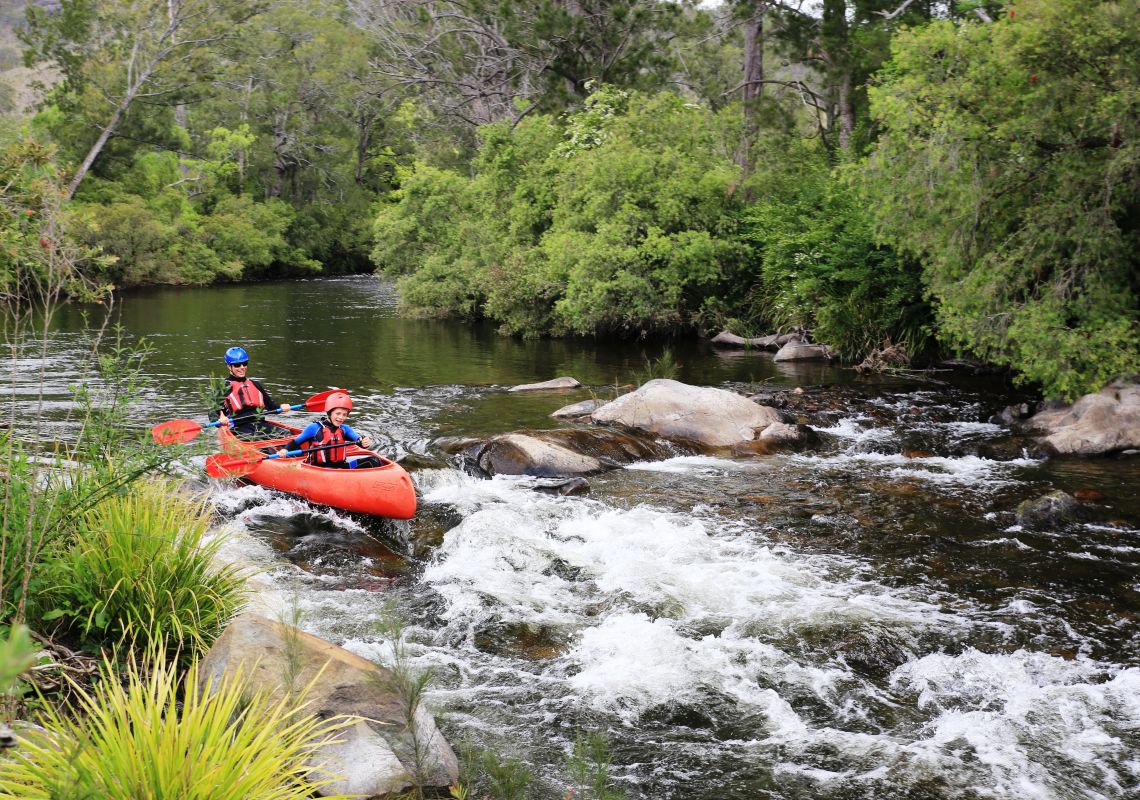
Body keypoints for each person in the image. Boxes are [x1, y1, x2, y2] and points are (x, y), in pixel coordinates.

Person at [276, 392, 378, 469]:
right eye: (338, 414)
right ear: (329, 413)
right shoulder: (314, 428)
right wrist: (285, 450)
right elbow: (295, 442)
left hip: (341, 468)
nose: (341, 418)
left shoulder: (345, 429)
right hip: (319, 469)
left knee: (373, 461)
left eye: (344, 414)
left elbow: (358, 439)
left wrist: (364, 441)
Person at [213, 346, 290, 437]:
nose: (242, 367)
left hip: (260, 424)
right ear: (229, 366)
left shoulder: (255, 384)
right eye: (237, 365)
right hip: (238, 427)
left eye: (244, 363)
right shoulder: (223, 387)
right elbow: (212, 412)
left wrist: (282, 406)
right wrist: (221, 418)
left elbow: (271, 406)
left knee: (287, 434)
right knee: (253, 440)